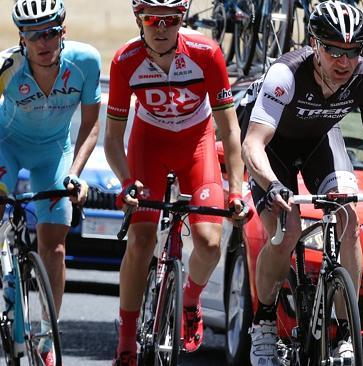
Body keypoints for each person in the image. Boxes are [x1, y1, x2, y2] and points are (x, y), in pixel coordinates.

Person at [240, 1, 363, 364]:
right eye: (333, 49)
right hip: (272, 148)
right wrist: (272, 185)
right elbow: (253, 143)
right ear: (314, 44)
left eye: (352, 52)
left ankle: (345, 333)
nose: (343, 61)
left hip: (320, 139)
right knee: (285, 233)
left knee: (348, 219)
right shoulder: (285, 74)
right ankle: (265, 320)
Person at [103, 0, 246, 364]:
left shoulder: (206, 53)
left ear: (182, 19)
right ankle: (126, 337)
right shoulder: (124, 61)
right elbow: (112, 140)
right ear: (139, 19)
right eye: (152, 19)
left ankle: (190, 300)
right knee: (140, 239)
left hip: (196, 143)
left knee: (210, 241)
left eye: (171, 19)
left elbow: (229, 130)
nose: (161, 27)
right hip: (149, 145)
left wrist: (236, 191)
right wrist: (126, 183)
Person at [0, 0, 101, 364]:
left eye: (50, 32)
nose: (43, 41)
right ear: (22, 38)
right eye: (33, 34)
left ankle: (45, 335)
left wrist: (76, 172)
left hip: (52, 154)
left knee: (54, 245)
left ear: (64, 30)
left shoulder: (86, 62)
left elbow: (91, 125)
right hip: (5, 148)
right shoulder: (7, 66)